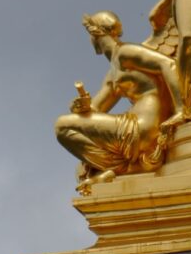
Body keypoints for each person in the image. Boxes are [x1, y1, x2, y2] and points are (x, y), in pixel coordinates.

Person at [54, 11, 181, 192]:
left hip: (142, 126)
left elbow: (169, 64)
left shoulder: (125, 52)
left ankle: (116, 167)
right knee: (68, 128)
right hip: (135, 126)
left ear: (95, 34)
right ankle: (123, 169)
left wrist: (180, 111)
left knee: (62, 125)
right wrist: (80, 107)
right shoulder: (112, 74)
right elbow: (94, 109)